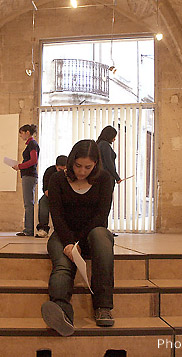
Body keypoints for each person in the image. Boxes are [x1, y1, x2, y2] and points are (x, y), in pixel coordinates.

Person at [41, 139, 114, 337]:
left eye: (88, 167)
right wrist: (69, 243)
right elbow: (57, 215)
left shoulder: (105, 179)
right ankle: (62, 313)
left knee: (101, 237)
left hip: (92, 235)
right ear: (72, 161)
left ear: (96, 164)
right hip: (64, 235)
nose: (82, 171)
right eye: (78, 166)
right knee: (63, 266)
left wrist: (79, 243)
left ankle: (103, 307)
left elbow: (101, 216)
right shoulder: (57, 180)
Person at [13, 124, 40, 236]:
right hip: (28, 176)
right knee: (28, 203)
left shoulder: (32, 144)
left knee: (28, 204)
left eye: (22, 133)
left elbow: (33, 160)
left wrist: (20, 166)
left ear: (27, 132)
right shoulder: (31, 144)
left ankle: (29, 230)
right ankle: (28, 229)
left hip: (29, 176)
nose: (21, 136)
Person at [35, 155, 68, 238]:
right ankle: (43, 229)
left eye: (64, 169)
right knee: (43, 201)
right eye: (60, 169)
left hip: (67, 196)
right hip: (51, 195)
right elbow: (46, 190)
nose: (62, 172)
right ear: (56, 166)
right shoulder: (49, 171)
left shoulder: (71, 172)